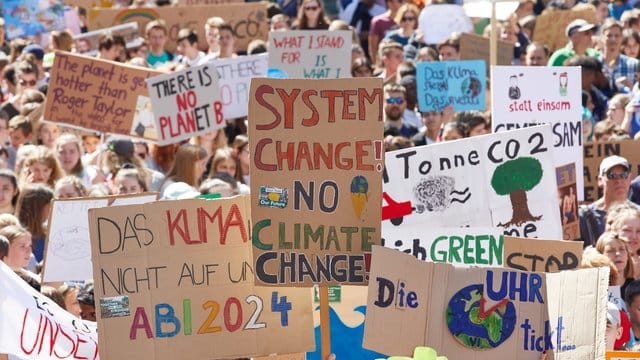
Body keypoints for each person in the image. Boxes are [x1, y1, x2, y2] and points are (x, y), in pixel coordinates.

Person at [580, 155, 637, 247]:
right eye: (611, 175)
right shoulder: (584, 218)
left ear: (630, 179)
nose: (618, 180)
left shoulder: (637, 213)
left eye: (623, 175)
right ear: (600, 180)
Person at [15, 183, 53, 265]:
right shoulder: (14, 235)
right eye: (50, 206)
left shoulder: (49, 234)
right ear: (37, 208)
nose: (52, 209)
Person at [600, 19, 639, 93]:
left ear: (622, 38)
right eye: (609, 35)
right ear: (602, 37)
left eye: (617, 36)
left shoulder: (634, 65)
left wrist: (632, 88)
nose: (613, 39)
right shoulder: (595, 65)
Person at [368, 0, 403, 65]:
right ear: (389, 2)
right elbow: (373, 48)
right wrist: (375, 64)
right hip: (385, 62)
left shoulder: (408, 19)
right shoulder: (378, 21)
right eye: (399, 1)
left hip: (403, 62)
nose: (402, 3)